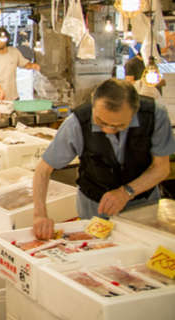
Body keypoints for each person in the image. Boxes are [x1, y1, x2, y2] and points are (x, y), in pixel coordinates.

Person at [33, 79, 175, 239]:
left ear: (135, 112)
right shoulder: (77, 123)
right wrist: (40, 214)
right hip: (94, 206)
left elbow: (161, 168)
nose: (108, 130)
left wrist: (126, 192)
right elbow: (43, 170)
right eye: (100, 122)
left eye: (118, 126)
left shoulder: (155, 116)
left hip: (142, 205)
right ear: (94, 104)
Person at [0, 27, 40, 101]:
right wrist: (0, 90)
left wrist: (33, 66)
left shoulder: (14, 52)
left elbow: (24, 64)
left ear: (6, 39)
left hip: (13, 97)